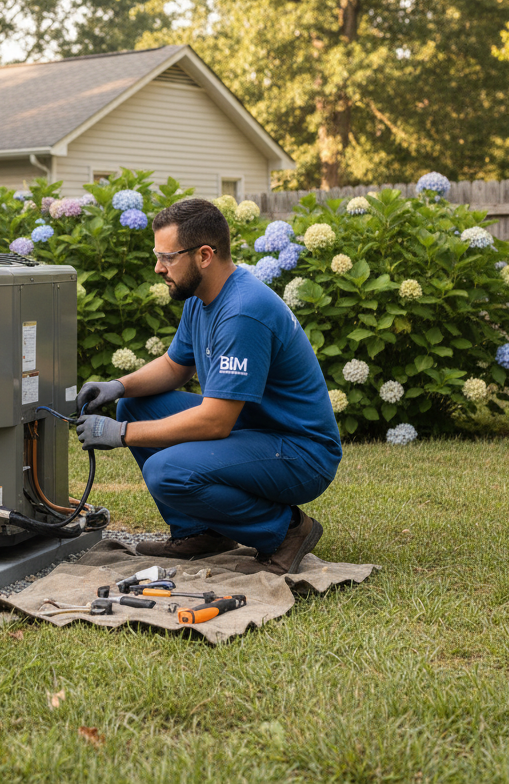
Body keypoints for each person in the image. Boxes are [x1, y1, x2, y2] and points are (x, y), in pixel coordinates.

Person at [74, 197, 342, 573]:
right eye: (158, 255)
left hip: (300, 452)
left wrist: (121, 433)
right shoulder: (203, 298)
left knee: (167, 471)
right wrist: (118, 386)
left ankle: (287, 532)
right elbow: (173, 366)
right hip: (255, 431)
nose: (157, 267)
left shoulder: (242, 312)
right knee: (135, 404)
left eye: (168, 257)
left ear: (204, 255)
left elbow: (215, 422)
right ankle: (201, 532)